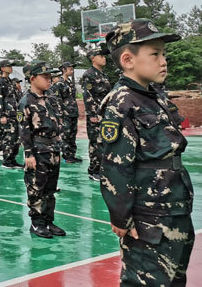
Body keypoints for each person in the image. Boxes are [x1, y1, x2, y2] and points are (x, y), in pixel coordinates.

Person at [99, 19, 194, 285]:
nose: (163, 61)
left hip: (174, 207)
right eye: (155, 54)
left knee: (174, 280)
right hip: (148, 217)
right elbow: (116, 165)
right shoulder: (122, 102)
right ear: (128, 60)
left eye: (163, 54)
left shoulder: (155, 95)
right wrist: (121, 216)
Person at [18, 61, 66, 239]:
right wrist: (28, 154)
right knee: (36, 188)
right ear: (32, 79)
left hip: (53, 150)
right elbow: (24, 130)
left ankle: (48, 221)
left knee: (50, 189)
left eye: (50, 77)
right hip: (38, 151)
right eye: (45, 77)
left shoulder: (50, 99)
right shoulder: (26, 102)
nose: (49, 80)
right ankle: (37, 223)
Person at [80, 45, 112, 181]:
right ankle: (94, 170)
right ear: (93, 58)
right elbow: (87, 95)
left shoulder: (103, 75)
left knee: (104, 140)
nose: (104, 58)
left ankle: (103, 168)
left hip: (105, 113)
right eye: (101, 56)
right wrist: (92, 114)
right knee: (95, 142)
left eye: (104, 56)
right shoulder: (89, 74)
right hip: (96, 114)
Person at [0, 60, 23, 169]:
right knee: (9, 138)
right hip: (7, 114)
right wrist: (2, 115)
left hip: (14, 113)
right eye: (8, 66)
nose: (11, 68)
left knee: (16, 138)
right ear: (2, 68)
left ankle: (12, 159)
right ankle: (7, 161)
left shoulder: (10, 81)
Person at [51, 62, 80, 163]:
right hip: (65, 114)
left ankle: (72, 154)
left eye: (72, 67)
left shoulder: (70, 83)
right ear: (63, 69)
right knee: (66, 135)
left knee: (72, 134)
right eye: (69, 68)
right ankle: (67, 156)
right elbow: (57, 100)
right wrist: (60, 115)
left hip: (73, 113)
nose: (72, 69)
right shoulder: (59, 84)